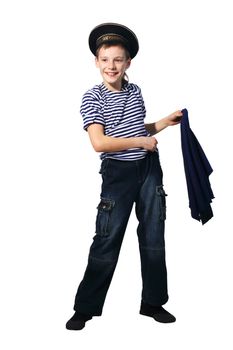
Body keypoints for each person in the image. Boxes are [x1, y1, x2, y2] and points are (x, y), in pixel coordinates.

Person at [66, 23, 183, 331]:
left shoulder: (135, 91)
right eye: (105, 59)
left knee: (154, 237)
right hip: (118, 174)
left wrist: (162, 123)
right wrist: (140, 142)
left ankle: (153, 303)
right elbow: (100, 143)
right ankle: (86, 308)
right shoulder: (93, 98)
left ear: (128, 62)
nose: (111, 66)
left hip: (148, 169)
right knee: (107, 238)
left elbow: (136, 131)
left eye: (118, 59)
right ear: (96, 62)